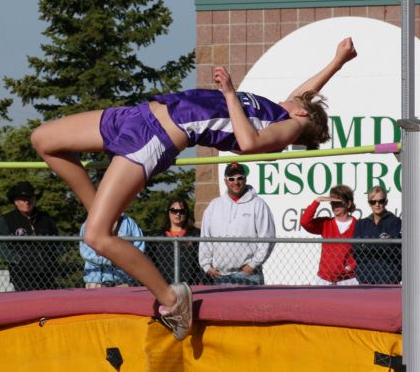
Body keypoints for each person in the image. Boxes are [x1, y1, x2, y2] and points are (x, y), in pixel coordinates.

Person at [31, 37, 357, 339]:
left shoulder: (289, 124)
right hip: (139, 115)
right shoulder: (279, 109)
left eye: (301, 103)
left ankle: (172, 301)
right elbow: (308, 93)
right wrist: (338, 61)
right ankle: (98, 209)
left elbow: (249, 142)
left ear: (301, 116)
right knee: (43, 139)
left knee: (97, 237)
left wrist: (230, 92)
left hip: (154, 136)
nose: (298, 95)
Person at [199, 163, 275, 285]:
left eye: (240, 178)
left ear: (245, 179)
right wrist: (206, 266)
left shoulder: (258, 204)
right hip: (220, 276)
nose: (236, 182)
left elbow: (268, 237)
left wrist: (253, 264)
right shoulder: (214, 205)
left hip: (249, 276)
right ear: (225, 181)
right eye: (231, 179)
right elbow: (205, 237)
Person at [0, 181, 58, 291]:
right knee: (27, 302)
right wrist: (18, 259)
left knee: (47, 302)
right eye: (22, 199)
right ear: (15, 201)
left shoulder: (45, 218)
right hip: (21, 273)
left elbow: (57, 240)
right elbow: (1, 246)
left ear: (34, 200)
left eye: (29, 198)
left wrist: (53, 257)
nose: (26, 202)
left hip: (47, 272)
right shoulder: (7, 219)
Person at [300, 184, 358, 285]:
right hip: (324, 280)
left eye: (338, 202)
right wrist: (317, 201)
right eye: (332, 203)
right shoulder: (326, 223)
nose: (335, 206)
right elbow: (304, 222)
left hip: (348, 280)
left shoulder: (358, 225)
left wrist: (351, 266)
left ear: (348, 204)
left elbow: (365, 253)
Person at [149, 197, 205, 285]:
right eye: (173, 210)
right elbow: (150, 262)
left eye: (182, 211)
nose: (177, 214)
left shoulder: (196, 235)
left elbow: (202, 261)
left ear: (186, 214)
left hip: (190, 285)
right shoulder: (157, 236)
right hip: (164, 286)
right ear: (168, 212)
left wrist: (202, 281)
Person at [352, 186, 402, 284]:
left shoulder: (396, 222)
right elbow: (356, 250)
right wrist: (382, 242)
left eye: (381, 201)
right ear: (369, 203)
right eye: (373, 202)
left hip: (389, 276)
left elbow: (394, 250)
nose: (377, 204)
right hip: (365, 277)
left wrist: (367, 244)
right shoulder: (361, 224)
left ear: (386, 202)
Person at [80, 214, 144, 287]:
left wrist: (124, 259)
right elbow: (86, 251)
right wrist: (111, 258)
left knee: (123, 297)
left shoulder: (129, 223)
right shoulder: (90, 222)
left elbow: (139, 246)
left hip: (123, 279)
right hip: (95, 279)